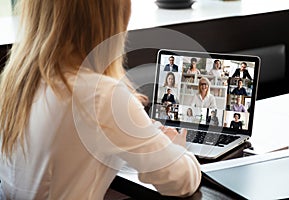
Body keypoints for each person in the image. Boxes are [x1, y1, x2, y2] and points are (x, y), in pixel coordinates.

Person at [0, 0, 201, 199]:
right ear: (112, 18)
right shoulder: (101, 96)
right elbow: (181, 181)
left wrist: (141, 132)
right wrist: (175, 149)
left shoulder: (16, 83)